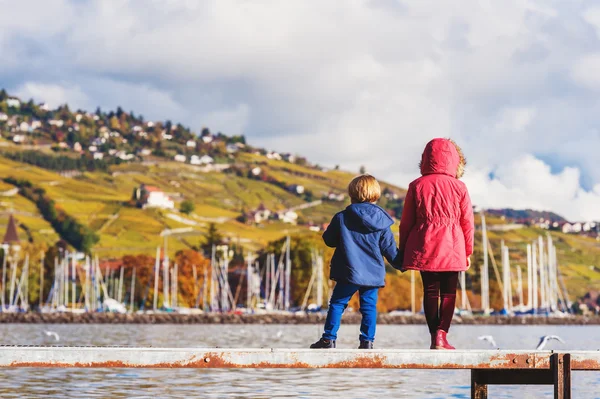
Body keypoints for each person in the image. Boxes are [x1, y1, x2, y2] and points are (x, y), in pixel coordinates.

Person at [399, 138, 474, 350]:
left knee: (430, 291)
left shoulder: (416, 185)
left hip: (425, 243)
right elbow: (467, 222)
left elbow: (406, 222)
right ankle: (443, 336)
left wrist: (404, 249)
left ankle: (434, 338)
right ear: (454, 161)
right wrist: (468, 250)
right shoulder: (460, 187)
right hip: (453, 245)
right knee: (449, 293)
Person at [310, 174, 400, 349]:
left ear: (352, 193)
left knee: (337, 304)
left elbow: (329, 240)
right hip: (373, 273)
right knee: (369, 307)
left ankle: (328, 339)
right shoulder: (382, 221)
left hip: (348, 271)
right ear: (375, 194)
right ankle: (367, 341)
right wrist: (405, 263)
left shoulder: (341, 217)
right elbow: (390, 251)